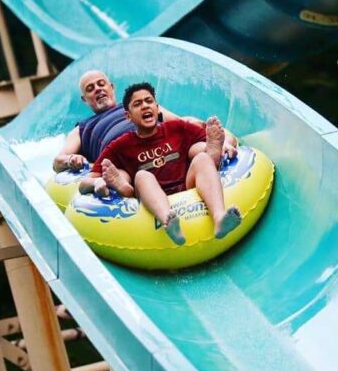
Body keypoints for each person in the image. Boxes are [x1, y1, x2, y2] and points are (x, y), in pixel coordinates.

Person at [79, 82, 241, 246]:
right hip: (151, 195)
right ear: (128, 116)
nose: (145, 106)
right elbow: (84, 182)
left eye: (149, 101)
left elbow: (220, 138)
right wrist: (98, 181)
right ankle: (168, 221)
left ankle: (219, 217)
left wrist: (224, 145)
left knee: (203, 158)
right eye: (137, 104)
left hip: (187, 185)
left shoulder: (177, 128)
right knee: (142, 175)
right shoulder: (120, 145)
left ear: (157, 108)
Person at [52, 70, 237, 172]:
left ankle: (214, 152)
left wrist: (223, 139)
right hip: (126, 157)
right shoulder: (82, 129)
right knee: (130, 174)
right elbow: (58, 161)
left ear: (111, 87)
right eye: (90, 88)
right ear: (85, 99)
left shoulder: (136, 104)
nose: (98, 89)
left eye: (101, 84)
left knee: (190, 139)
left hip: (163, 144)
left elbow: (180, 122)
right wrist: (71, 160)